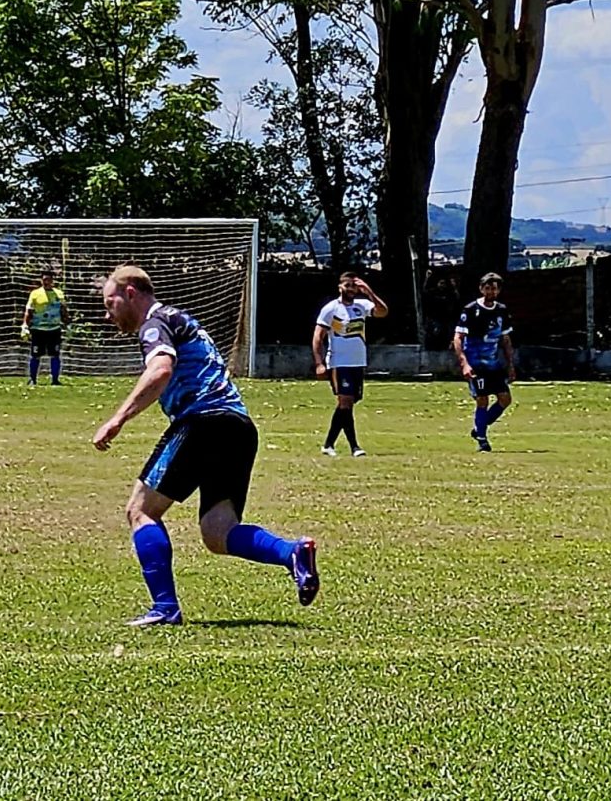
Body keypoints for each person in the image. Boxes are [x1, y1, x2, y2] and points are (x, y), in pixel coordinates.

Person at [93, 265, 319, 626]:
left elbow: (160, 370)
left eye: (110, 303)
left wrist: (117, 419)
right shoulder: (182, 319)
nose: (108, 314)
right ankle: (292, 552)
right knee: (219, 533)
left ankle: (165, 608)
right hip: (238, 427)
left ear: (130, 293)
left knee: (141, 511)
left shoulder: (155, 323)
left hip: (203, 422)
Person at [313, 273, 388, 456]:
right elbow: (317, 337)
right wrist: (319, 363)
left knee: (347, 405)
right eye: (347, 285)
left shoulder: (361, 306)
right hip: (339, 363)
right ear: (340, 287)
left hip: (358, 362)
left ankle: (328, 444)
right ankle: (355, 446)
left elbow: (383, 311)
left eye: (353, 286)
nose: (351, 289)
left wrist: (369, 291)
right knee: (345, 402)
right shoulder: (331, 309)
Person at [451, 273, 517, 453]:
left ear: (499, 290)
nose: (491, 291)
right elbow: (458, 338)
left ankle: (480, 427)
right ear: (481, 289)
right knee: (482, 399)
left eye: (494, 288)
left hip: (493, 363)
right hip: (475, 362)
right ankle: (482, 440)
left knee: (505, 399)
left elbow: (505, 339)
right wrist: (464, 363)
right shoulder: (471, 309)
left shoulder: (501, 310)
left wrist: (510, 364)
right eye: (487, 288)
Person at [23, 268, 70, 386]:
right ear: (41, 280)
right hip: (38, 330)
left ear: (52, 280)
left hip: (54, 329)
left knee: (55, 355)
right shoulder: (35, 294)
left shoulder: (59, 294)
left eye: (48, 279)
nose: (46, 282)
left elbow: (63, 309)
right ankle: (32, 379)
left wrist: (67, 320)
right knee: (35, 355)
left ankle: (55, 380)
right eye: (44, 279)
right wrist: (25, 325)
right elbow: (29, 311)